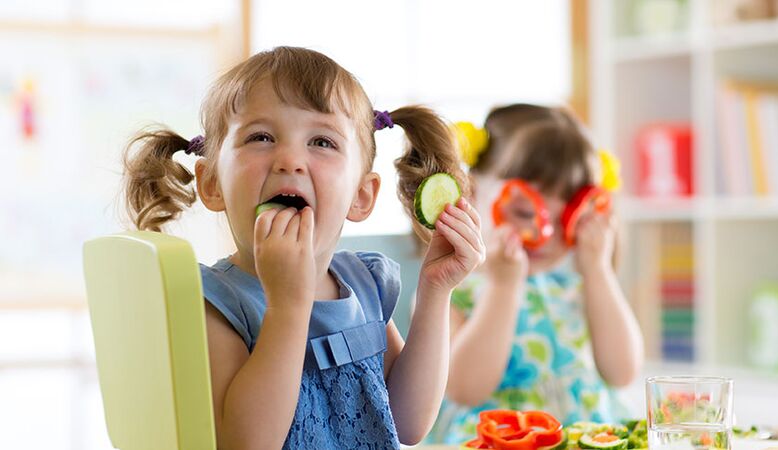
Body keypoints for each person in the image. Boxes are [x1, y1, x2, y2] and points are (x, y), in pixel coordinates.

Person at [121, 46, 485, 449]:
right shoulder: (214, 303)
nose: (289, 159)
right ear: (211, 183)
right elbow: (247, 444)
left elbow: (408, 423)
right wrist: (288, 306)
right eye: (260, 137)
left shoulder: (364, 284)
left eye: (322, 142)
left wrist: (436, 290)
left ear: (361, 196)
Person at [429, 105, 643, 444]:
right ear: (470, 190)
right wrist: (503, 287)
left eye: (566, 221)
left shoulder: (578, 286)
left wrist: (599, 271)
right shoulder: (449, 287)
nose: (544, 234)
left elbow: (622, 372)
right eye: (525, 211)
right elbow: (464, 388)